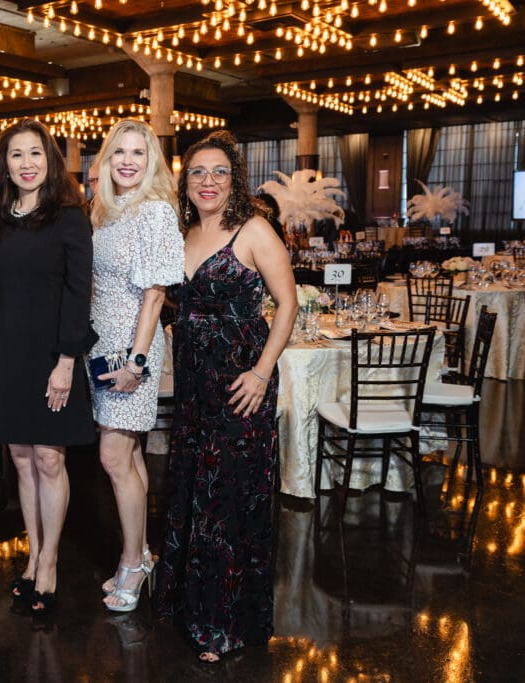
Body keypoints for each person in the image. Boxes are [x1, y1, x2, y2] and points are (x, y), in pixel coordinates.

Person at [153, 130, 297, 663]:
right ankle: (191, 606)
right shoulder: (181, 233)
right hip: (194, 387)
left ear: (233, 179)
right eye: (197, 172)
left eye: (218, 172)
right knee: (195, 491)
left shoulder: (253, 230)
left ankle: (225, 622)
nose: (207, 181)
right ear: (184, 181)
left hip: (241, 387)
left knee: (231, 502)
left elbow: (288, 304)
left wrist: (261, 373)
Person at [0, 118, 96, 616]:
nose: (26, 164)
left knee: (49, 458)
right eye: (16, 155)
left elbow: (78, 292)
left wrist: (67, 361)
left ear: (50, 161)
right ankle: (31, 553)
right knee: (20, 459)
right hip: (6, 353)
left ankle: (49, 561)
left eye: (35, 154)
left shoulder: (70, 217)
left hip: (52, 354)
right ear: (5, 164)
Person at [89, 119, 184, 613]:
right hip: (103, 344)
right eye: (119, 152)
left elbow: (155, 295)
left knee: (111, 457)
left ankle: (131, 561)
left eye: (138, 153)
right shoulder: (106, 211)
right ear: (106, 161)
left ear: (152, 164)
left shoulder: (153, 213)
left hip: (134, 346)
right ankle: (144, 554)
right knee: (128, 457)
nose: (127, 160)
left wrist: (139, 361)